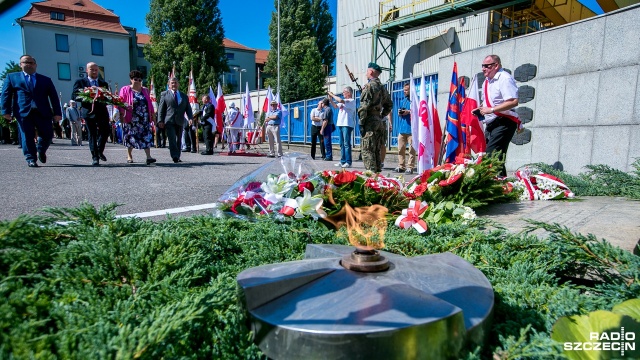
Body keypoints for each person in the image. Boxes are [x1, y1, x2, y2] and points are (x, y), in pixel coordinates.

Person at [1, 55, 62, 167]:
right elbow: (6, 95)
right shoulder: (12, 77)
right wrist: (5, 110)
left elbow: (53, 97)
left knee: (48, 135)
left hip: (42, 112)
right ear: (21, 64)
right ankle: (31, 158)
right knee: (27, 136)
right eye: (25, 62)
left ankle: (41, 150)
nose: (28, 64)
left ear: (35, 65)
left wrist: (58, 113)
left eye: (31, 62)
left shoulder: (45, 80)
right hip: (23, 112)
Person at [475, 54, 521, 177]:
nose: (483, 69)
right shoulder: (486, 82)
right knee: (496, 157)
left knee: (491, 155)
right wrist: (480, 109)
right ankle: (503, 186)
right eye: (482, 66)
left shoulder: (504, 78)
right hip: (491, 122)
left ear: (496, 66)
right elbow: (487, 102)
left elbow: (513, 101)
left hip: (504, 121)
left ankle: (497, 184)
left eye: (486, 66)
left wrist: (492, 109)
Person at [72, 62, 110, 166]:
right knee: (92, 134)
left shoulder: (103, 83)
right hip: (89, 111)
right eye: (91, 69)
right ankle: (95, 156)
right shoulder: (80, 82)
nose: (94, 72)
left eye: (96, 70)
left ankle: (99, 150)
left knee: (105, 131)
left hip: (102, 111)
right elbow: (75, 96)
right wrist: (89, 95)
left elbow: (108, 98)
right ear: (87, 70)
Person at [357, 62, 393, 173]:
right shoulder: (382, 87)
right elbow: (389, 104)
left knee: (367, 150)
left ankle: (371, 177)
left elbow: (364, 107)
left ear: (371, 72)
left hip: (370, 121)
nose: (366, 73)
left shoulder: (369, 86)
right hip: (379, 121)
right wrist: (381, 115)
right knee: (377, 149)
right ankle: (378, 177)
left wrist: (361, 122)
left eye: (367, 71)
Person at [118, 70, 156, 165]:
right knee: (131, 137)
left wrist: (152, 115)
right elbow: (120, 102)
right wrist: (122, 115)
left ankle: (149, 157)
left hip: (144, 118)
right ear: (131, 79)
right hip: (131, 118)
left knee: (146, 136)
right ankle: (129, 155)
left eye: (139, 79)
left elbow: (149, 104)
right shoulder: (125, 89)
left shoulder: (145, 90)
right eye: (135, 79)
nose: (138, 81)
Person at [157, 77, 193, 163]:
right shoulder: (164, 94)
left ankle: (178, 155)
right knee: (172, 138)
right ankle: (174, 156)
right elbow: (161, 109)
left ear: (178, 84)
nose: (174, 84)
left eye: (175, 83)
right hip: (169, 120)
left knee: (179, 139)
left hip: (180, 121)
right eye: (172, 83)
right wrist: (160, 120)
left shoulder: (184, 96)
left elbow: (188, 108)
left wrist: (190, 118)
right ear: (169, 84)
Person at [328, 86, 356, 168]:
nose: (343, 93)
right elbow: (335, 106)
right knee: (341, 144)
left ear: (349, 93)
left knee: (346, 144)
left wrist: (332, 95)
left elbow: (340, 100)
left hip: (347, 124)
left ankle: (348, 162)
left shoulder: (351, 101)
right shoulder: (344, 101)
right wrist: (330, 99)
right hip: (341, 123)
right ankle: (342, 161)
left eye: (344, 92)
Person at [396, 83, 416, 174]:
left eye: (406, 90)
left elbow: (419, 112)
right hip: (402, 129)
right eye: (404, 90)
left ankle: (410, 167)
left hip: (411, 129)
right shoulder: (402, 101)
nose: (405, 91)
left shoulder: (415, 100)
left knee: (411, 150)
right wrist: (400, 113)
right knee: (400, 149)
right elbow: (399, 114)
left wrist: (409, 112)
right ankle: (401, 166)